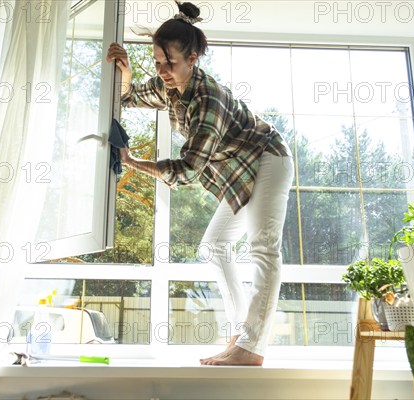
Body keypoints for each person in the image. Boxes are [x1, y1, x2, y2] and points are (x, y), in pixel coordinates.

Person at [106, 0, 294, 366]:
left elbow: (189, 169)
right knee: (215, 246)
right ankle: (241, 332)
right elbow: (128, 97)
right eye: (157, 63)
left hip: (269, 158)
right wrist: (126, 72)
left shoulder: (208, 99)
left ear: (192, 58)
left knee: (263, 248)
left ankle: (252, 348)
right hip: (240, 171)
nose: (161, 71)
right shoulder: (171, 86)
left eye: (169, 63)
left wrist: (133, 162)